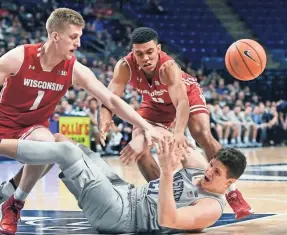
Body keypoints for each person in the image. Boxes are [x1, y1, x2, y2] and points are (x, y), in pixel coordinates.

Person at [0, 8, 162, 235]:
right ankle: (11, 188)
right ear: (55, 36)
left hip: (31, 129)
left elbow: (111, 100)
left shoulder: (74, 69)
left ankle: (15, 202)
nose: (78, 43)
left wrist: (147, 126)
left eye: (80, 37)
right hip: (2, 124)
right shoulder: (19, 57)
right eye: (73, 37)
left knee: (49, 144)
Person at [99, 27, 252, 219]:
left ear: (158, 49)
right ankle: (165, 197)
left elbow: (181, 103)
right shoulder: (125, 66)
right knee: (140, 149)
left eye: (150, 52)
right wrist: (105, 118)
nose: (146, 58)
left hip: (185, 94)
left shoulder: (168, 67)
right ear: (133, 53)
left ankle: (233, 193)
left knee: (200, 132)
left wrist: (179, 132)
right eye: (139, 54)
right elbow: (109, 98)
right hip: (154, 102)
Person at [0, 129, 247, 233]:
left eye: (217, 173)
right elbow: (169, 132)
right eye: (212, 165)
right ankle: (7, 192)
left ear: (230, 182)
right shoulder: (199, 169)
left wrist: (168, 172)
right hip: (124, 191)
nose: (209, 172)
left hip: (121, 216)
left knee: (67, 153)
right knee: (60, 138)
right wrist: (144, 137)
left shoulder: (211, 207)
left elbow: (168, 220)